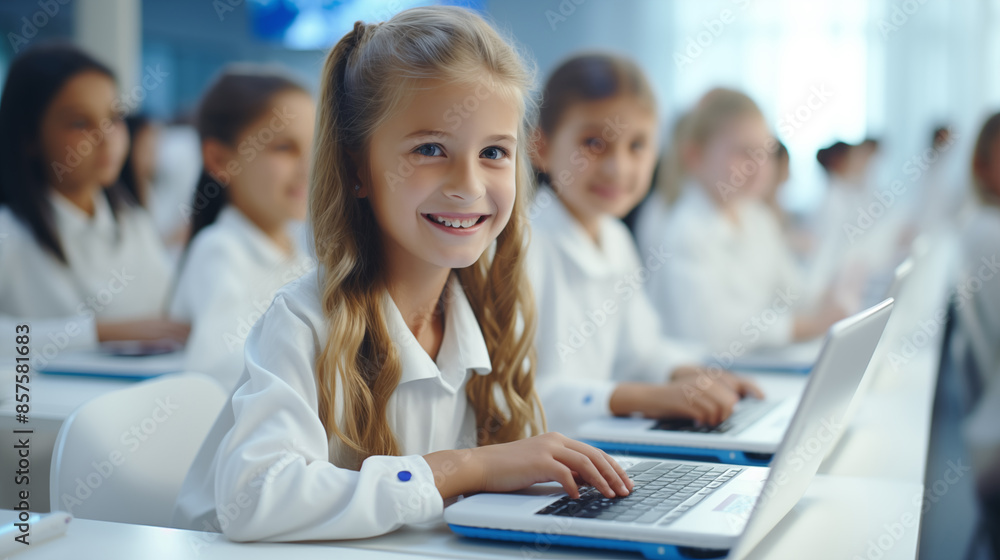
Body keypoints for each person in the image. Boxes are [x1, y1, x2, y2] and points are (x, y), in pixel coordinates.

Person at [172, 7, 632, 541]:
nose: (468, 185)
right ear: (358, 170)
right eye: (430, 149)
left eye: (493, 153)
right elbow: (255, 499)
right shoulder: (303, 321)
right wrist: (467, 467)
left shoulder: (484, 309)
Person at [527, 54, 762, 436]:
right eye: (593, 143)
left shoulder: (615, 238)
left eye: (637, 145)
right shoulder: (522, 245)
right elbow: (519, 398)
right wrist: (646, 398)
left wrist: (692, 375)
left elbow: (641, 351)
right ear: (542, 146)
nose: (618, 167)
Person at [0, 44, 187, 356]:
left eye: (114, 118)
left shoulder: (132, 222)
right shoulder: (9, 232)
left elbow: (170, 310)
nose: (106, 137)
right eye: (79, 123)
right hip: (36, 403)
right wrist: (98, 332)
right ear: (29, 138)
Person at [635, 88, 844, 353]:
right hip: (700, 370)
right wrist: (803, 326)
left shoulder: (757, 218)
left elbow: (792, 291)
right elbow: (711, 329)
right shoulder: (684, 227)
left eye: (765, 152)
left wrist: (828, 299)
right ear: (694, 156)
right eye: (744, 152)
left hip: (749, 361)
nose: (759, 166)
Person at [168, 67, 316, 391]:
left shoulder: (296, 249)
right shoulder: (218, 249)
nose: (308, 167)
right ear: (220, 159)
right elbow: (219, 369)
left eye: (315, 148)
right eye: (284, 148)